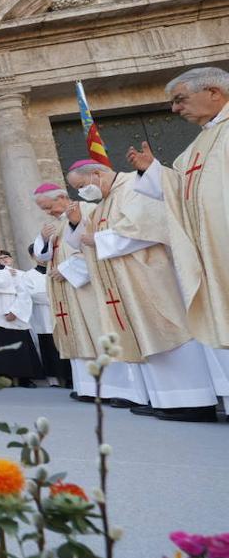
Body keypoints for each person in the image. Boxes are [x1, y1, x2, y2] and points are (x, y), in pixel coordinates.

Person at [67, 160, 218, 421]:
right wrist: (77, 226)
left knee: (171, 331)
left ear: (96, 174)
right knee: (146, 336)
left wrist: (101, 240)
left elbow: (150, 225)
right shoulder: (104, 202)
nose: (81, 193)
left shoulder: (134, 186)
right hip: (127, 281)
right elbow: (79, 240)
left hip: (153, 275)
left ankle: (196, 400)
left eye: (81, 186)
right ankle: (166, 399)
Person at [129, 66, 229, 402]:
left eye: (180, 100)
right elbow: (180, 190)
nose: (175, 109)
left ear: (214, 92)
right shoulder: (197, 147)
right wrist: (153, 172)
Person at [30, 183, 146, 405]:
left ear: (62, 196)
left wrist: (65, 270)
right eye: (43, 210)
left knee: (100, 333)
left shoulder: (88, 211)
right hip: (68, 292)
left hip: (89, 289)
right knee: (79, 336)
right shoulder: (59, 222)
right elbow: (43, 257)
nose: (48, 212)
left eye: (48, 207)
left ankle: (122, 389)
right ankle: (90, 387)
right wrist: (44, 240)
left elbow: (95, 248)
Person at [0, 240, 43, 387]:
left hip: (14, 313)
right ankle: (6, 378)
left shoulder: (13, 272)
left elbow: (23, 293)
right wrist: (8, 278)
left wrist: (15, 311)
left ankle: (25, 378)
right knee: (1, 348)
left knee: (21, 347)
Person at [23, 245, 71, 386]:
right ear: (32, 256)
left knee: (65, 347)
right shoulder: (28, 276)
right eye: (38, 254)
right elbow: (34, 296)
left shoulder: (59, 272)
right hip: (43, 318)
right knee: (50, 349)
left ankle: (69, 377)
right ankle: (54, 379)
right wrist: (56, 298)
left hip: (63, 315)